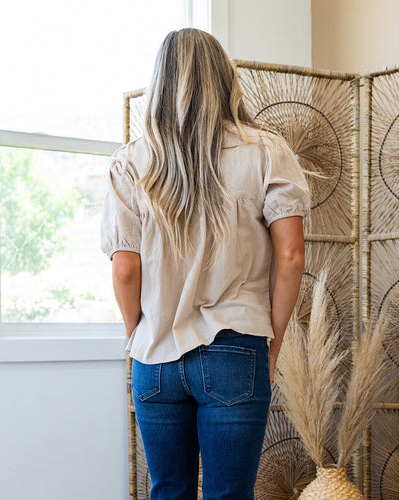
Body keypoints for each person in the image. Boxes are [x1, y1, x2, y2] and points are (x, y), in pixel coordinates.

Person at [101, 28, 311, 500]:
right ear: (225, 79)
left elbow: (125, 269)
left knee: (169, 491)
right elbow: (292, 255)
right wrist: (270, 340)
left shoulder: (131, 162)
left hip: (154, 355)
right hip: (235, 347)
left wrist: (138, 332)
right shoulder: (266, 152)